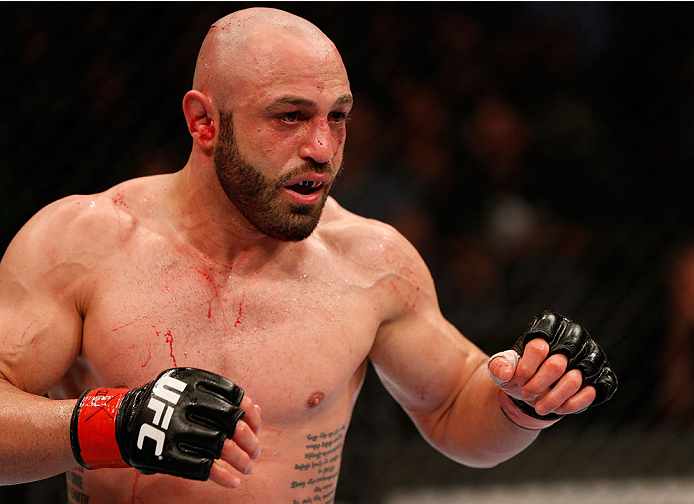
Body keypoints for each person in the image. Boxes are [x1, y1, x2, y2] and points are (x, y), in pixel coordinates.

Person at [0, 7, 616, 504]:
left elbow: (455, 406)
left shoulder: (371, 261)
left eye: (338, 118)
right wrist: (117, 422)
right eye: (290, 117)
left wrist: (524, 401)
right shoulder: (80, 244)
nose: (323, 148)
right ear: (204, 122)